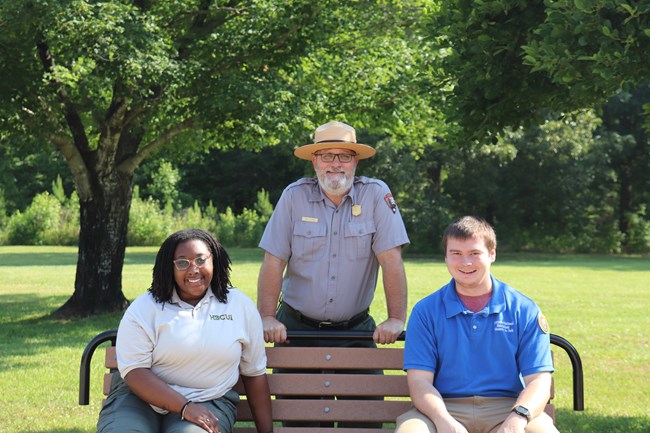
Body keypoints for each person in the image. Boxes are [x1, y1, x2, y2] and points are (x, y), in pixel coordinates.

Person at [257, 121, 409, 428]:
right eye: (327, 156)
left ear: (356, 161)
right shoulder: (293, 197)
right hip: (296, 332)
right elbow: (274, 261)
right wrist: (266, 317)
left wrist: (395, 318)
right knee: (303, 424)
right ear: (314, 161)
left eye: (344, 156)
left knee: (364, 422)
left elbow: (392, 261)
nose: (335, 164)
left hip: (355, 332)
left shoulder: (376, 195)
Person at [97, 229, 273, 433]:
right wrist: (184, 407)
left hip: (209, 400)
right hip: (137, 398)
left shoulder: (238, 305)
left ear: (214, 260)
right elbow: (135, 372)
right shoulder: (145, 308)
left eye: (200, 260)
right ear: (168, 268)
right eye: (182, 263)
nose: (193, 270)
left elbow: (254, 374)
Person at [394, 216, 558, 433]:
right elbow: (419, 382)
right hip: (441, 407)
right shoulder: (426, 311)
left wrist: (517, 419)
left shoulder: (523, 309)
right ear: (446, 257)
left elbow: (539, 380)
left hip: (507, 407)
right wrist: (444, 421)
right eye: (456, 254)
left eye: (474, 253)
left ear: (492, 254)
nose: (465, 263)